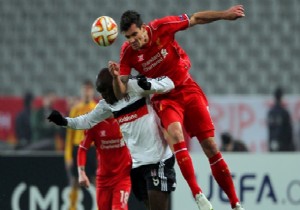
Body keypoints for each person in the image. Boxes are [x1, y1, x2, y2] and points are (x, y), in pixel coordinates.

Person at [108, 5, 245, 210]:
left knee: (210, 147)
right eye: (128, 37)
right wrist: (115, 77)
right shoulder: (127, 53)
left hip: (187, 89)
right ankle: (197, 193)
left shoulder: (162, 27)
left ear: (144, 28)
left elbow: (196, 18)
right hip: (164, 98)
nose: (133, 41)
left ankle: (235, 204)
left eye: (135, 34)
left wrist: (225, 15)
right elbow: (121, 93)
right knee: (175, 133)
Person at [48, 68, 177, 210]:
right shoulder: (107, 105)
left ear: (114, 85)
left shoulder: (135, 87)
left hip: (157, 160)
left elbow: (169, 82)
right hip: (137, 165)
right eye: (101, 93)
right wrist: (64, 121)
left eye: (105, 92)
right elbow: (86, 121)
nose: (104, 96)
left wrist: (148, 84)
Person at [77, 117, 132, 210]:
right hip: (104, 179)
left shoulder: (125, 118)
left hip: (123, 176)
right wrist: (81, 173)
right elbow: (82, 148)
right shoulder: (94, 123)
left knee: (119, 208)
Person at [64, 79, 97, 210]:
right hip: (77, 148)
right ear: (81, 91)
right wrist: (68, 156)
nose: (87, 91)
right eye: (85, 89)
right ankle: (72, 207)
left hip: (92, 148)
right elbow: (69, 136)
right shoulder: (75, 109)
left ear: (92, 91)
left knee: (96, 180)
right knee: (74, 181)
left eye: (89, 89)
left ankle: (100, 206)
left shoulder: (96, 108)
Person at [267, 86, 295, 152]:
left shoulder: (271, 112)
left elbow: (270, 130)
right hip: (284, 144)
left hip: (273, 143)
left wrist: (271, 142)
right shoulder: (284, 112)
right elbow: (289, 131)